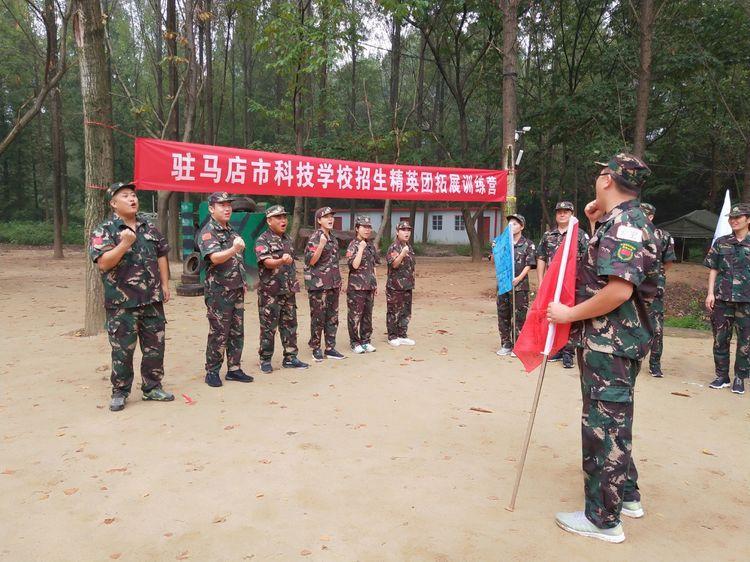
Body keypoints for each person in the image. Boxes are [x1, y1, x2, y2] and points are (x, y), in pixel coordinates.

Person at [547, 153, 659, 543]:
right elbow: (604, 270)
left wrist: (567, 314)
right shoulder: (620, 221)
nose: (597, 178)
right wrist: (594, 222)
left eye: (600, 172)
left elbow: (618, 289)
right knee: (615, 421)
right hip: (613, 341)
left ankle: (602, 520)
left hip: (610, 342)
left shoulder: (626, 224)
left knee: (603, 428)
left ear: (609, 180)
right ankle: (626, 495)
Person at [88, 182, 175, 411]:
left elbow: (161, 256)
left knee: (155, 347)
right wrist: (125, 244)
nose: (132, 199)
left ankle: (152, 387)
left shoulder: (149, 227)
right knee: (122, 350)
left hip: (152, 300)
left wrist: (165, 284)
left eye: (133, 195)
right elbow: (103, 264)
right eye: (125, 196)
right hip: (122, 303)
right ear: (113, 204)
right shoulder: (104, 230)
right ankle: (120, 391)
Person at [197, 192, 253, 387]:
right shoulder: (208, 232)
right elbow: (214, 258)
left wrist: (243, 281)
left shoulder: (232, 232)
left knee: (237, 330)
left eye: (229, 204)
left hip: (236, 289)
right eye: (222, 205)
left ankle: (234, 369)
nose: (227, 208)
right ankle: (212, 370)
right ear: (212, 208)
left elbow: (238, 261)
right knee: (219, 331)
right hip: (218, 291)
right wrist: (233, 250)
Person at [254, 205, 309, 373]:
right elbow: (266, 262)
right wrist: (280, 261)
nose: (283, 220)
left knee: (290, 325)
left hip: (288, 290)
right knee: (269, 327)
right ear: (269, 221)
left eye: (284, 217)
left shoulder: (288, 240)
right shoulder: (262, 240)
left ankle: (291, 357)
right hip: (270, 292)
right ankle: (265, 359)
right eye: (278, 217)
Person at [536, 201, 590, 368]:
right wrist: (541, 281)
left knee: (569, 315)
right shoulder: (548, 235)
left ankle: (568, 352)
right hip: (552, 283)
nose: (562, 214)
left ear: (572, 214)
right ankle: (556, 348)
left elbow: (587, 259)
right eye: (559, 211)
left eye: (566, 211)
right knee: (553, 314)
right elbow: (541, 257)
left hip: (572, 283)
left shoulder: (579, 235)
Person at [704, 203, 750, 395]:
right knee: (720, 339)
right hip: (722, 298)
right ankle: (722, 376)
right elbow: (713, 268)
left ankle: (740, 377)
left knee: (746, 341)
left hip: (747, 300)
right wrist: (710, 293)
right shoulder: (722, 242)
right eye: (731, 218)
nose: (733, 220)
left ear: (748, 220)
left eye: (738, 217)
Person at [304, 206, 345, 362]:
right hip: (319, 285)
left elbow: (334, 262)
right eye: (326, 216)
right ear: (319, 220)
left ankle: (330, 347)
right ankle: (316, 348)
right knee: (318, 318)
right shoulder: (315, 237)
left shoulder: (333, 238)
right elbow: (311, 261)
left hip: (333, 283)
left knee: (332, 317)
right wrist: (321, 245)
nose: (330, 219)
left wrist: (338, 281)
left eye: (331, 216)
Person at [641, 202, 676, 378]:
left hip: (654, 288)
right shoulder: (630, 233)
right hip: (632, 287)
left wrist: (656, 275)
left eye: (645, 214)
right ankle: (634, 358)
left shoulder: (663, 235)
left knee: (656, 328)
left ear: (651, 216)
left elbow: (668, 261)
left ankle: (655, 363)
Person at [496, 213, 536, 356]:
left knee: (519, 315)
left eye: (515, 223)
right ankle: (506, 344)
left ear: (522, 227)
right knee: (503, 314)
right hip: (503, 285)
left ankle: (518, 345)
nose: (511, 226)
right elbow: (495, 260)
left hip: (520, 286)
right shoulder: (502, 243)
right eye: (510, 223)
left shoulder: (528, 244)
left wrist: (519, 278)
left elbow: (530, 264)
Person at [346, 215, 378, 354]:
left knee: (367, 315)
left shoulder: (370, 245)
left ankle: (366, 341)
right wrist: (360, 249)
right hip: (356, 287)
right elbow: (354, 265)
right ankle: (355, 342)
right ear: (357, 228)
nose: (367, 229)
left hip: (369, 286)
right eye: (364, 227)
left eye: (369, 227)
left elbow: (373, 265)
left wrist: (375, 283)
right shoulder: (353, 245)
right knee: (355, 315)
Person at [386, 221, 416, 347]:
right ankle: (392, 336)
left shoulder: (409, 247)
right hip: (395, 286)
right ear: (397, 232)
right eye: (403, 230)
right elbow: (394, 264)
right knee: (394, 311)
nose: (406, 232)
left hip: (407, 285)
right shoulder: (394, 247)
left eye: (408, 230)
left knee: (405, 311)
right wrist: (402, 254)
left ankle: (402, 334)